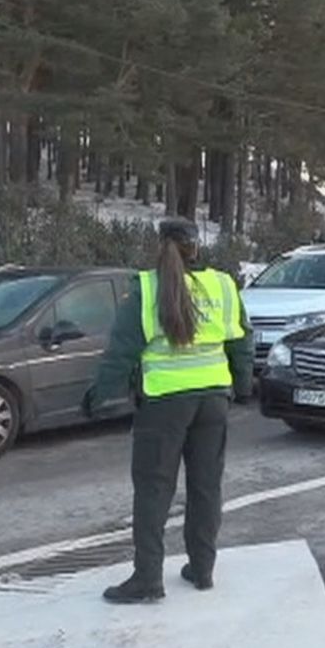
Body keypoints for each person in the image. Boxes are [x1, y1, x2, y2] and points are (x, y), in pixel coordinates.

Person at [83, 217, 253, 604]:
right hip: (213, 401)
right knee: (206, 487)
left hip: (163, 404)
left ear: (161, 246)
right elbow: (242, 340)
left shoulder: (148, 288)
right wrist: (242, 386)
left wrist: (98, 397)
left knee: (154, 492)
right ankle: (202, 569)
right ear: (198, 247)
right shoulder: (223, 285)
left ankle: (147, 580)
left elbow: (121, 350)